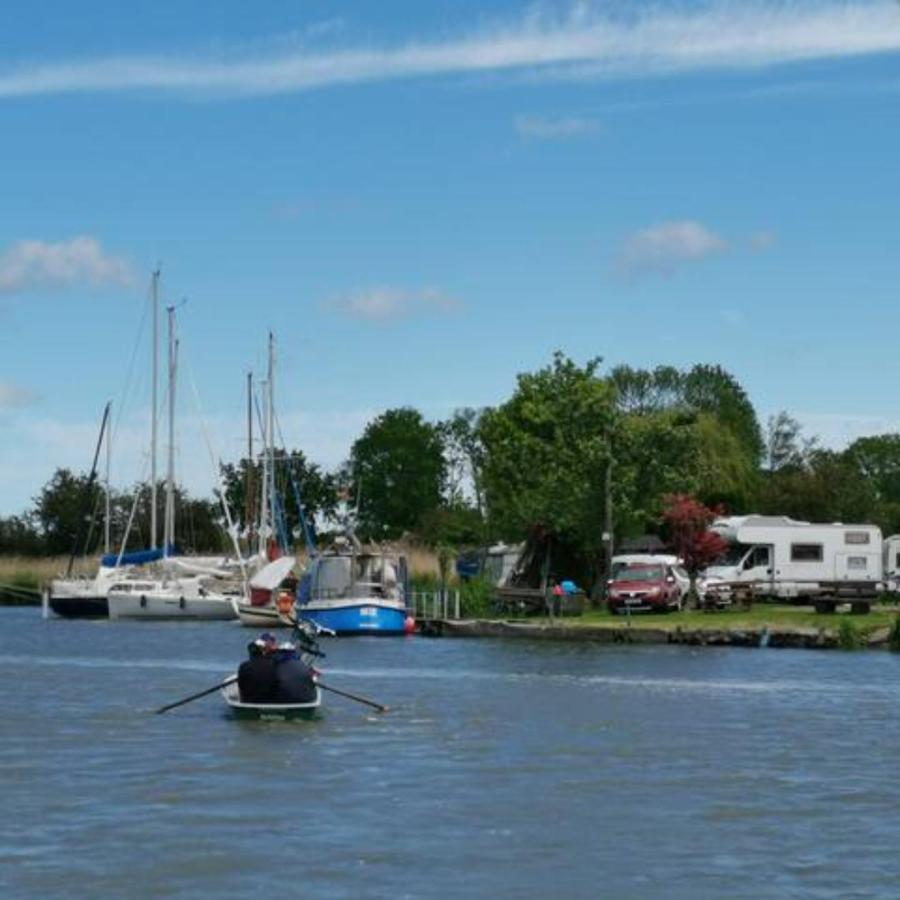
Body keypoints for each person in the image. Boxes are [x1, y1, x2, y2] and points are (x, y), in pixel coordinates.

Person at [237, 637, 277, 703]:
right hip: (270, 701)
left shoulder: (243, 666)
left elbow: (241, 686)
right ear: (262, 652)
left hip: (249, 701)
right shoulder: (273, 664)